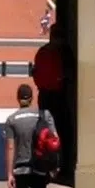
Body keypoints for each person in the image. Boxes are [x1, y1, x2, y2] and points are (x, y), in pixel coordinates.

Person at [4, 81, 57, 188]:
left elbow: (11, 146)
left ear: (18, 99)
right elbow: (54, 140)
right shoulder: (44, 115)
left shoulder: (12, 119)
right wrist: (54, 165)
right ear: (32, 98)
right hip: (40, 165)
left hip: (21, 166)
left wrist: (10, 173)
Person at [30, 20, 75, 177]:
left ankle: (47, 167)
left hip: (46, 96)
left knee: (46, 133)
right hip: (57, 97)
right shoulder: (63, 53)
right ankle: (59, 167)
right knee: (61, 132)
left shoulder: (43, 52)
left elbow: (35, 73)